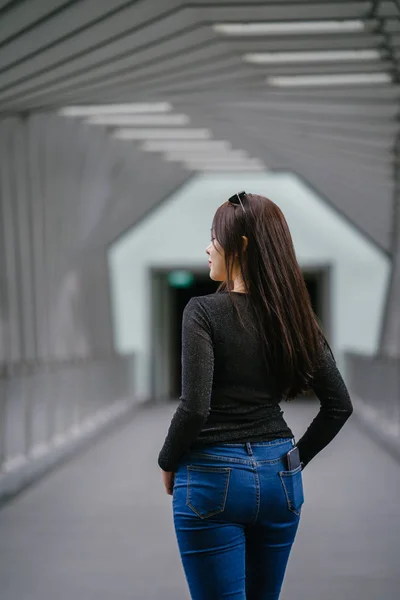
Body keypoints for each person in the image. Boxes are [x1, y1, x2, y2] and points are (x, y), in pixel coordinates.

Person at [158, 191, 353, 600]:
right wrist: (294, 462)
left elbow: (195, 407)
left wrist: (167, 461)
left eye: (215, 237)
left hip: (211, 477)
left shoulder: (203, 311)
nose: (208, 247)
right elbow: (339, 405)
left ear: (241, 245)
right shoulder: (294, 317)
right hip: (279, 476)